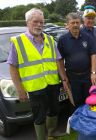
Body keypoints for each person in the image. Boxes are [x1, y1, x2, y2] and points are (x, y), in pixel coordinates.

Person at [7, 8, 67, 140]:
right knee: (39, 115)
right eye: (35, 22)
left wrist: (64, 80)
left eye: (41, 22)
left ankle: (51, 133)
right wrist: (20, 89)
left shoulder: (50, 40)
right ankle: (41, 138)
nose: (39, 25)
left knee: (54, 110)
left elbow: (58, 60)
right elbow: (12, 67)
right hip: (35, 87)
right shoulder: (18, 42)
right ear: (27, 22)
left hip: (52, 83)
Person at [57, 12, 96, 109]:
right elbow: (59, 61)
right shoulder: (62, 40)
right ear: (68, 24)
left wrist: (93, 72)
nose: (75, 25)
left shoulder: (87, 37)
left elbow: (93, 55)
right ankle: (77, 123)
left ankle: (88, 123)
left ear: (80, 23)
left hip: (87, 76)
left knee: (89, 102)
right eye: (73, 22)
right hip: (72, 78)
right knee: (75, 103)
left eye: (77, 22)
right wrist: (64, 79)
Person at [81, 5, 96, 93]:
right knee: (91, 90)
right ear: (84, 19)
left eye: (92, 18)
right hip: (88, 68)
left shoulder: (95, 31)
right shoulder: (80, 33)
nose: (90, 20)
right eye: (88, 18)